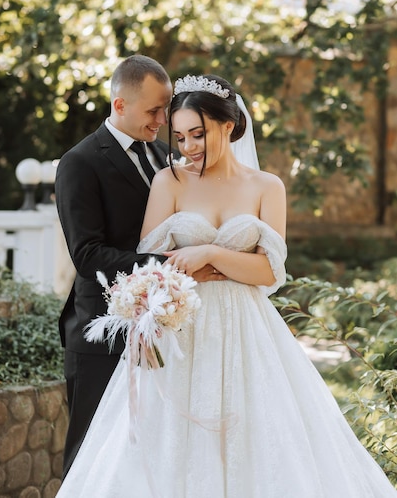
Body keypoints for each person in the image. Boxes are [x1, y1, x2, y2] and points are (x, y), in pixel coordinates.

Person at [56, 73, 397, 497]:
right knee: (169, 443)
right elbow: (150, 267)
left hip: (247, 331)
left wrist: (212, 254)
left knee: (257, 438)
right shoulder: (170, 180)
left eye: (197, 134)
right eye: (179, 138)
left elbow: (270, 273)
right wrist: (183, 283)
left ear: (229, 125)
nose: (188, 148)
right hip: (182, 332)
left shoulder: (267, 187)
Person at [55, 54, 174, 477]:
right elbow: (87, 254)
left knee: (145, 456)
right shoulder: (80, 162)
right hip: (100, 330)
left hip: (162, 329)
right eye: (154, 110)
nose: (163, 119)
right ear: (120, 105)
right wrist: (167, 266)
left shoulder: (164, 155)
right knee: (91, 455)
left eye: (166, 108)